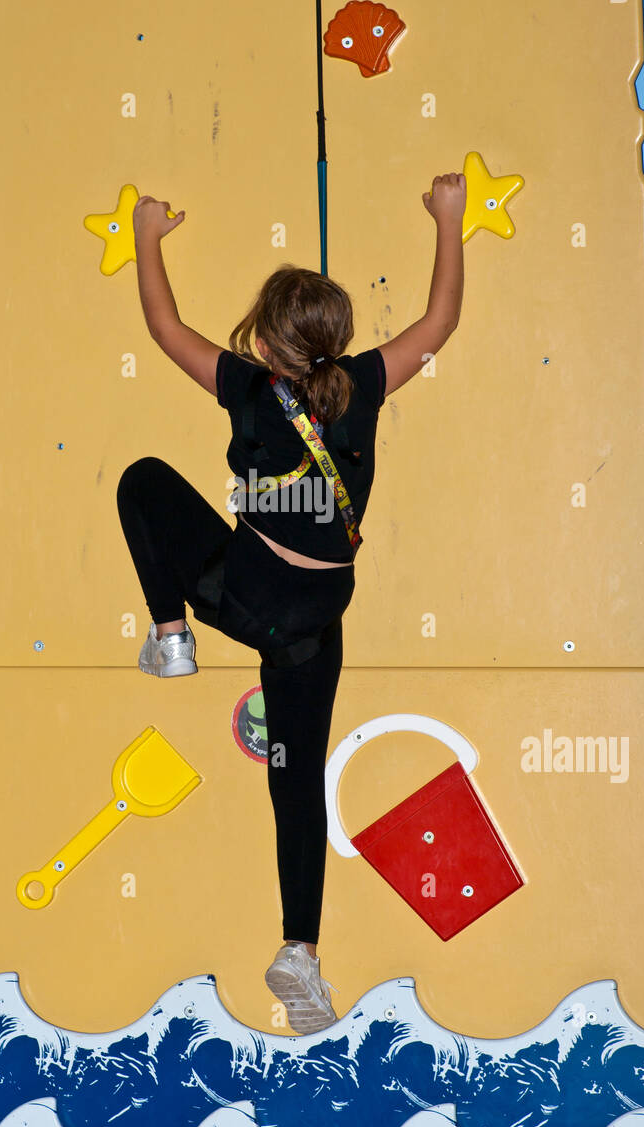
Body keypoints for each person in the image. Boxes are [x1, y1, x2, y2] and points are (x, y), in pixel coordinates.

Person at [116, 174, 466, 1033]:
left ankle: (170, 634)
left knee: (144, 482)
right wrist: (448, 219)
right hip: (310, 624)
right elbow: (441, 320)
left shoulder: (246, 386)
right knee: (297, 784)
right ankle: (300, 952)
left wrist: (146, 233)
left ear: (268, 340)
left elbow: (165, 329)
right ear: (333, 342)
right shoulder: (366, 385)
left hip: (236, 594)